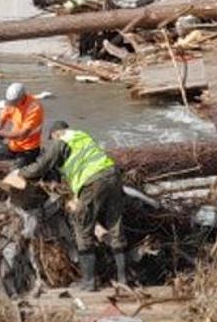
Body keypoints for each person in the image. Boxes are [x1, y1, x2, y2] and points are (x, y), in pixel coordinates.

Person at [13, 121, 130, 290]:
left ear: (54, 134)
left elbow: (40, 168)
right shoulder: (82, 135)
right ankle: (123, 279)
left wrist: (20, 172)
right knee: (115, 225)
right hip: (113, 175)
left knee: (83, 228)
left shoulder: (59, 141)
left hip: (93, 181)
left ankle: (89, 282)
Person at [0, 83, 44, 166]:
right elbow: (3, 116)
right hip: (14, 146)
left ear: (22, 98)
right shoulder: (12, 102)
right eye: (10, 102)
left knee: (18, 169)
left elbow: (21, 135)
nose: (11, 104)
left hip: (29, 149)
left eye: (14, 102)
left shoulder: (34, 109)